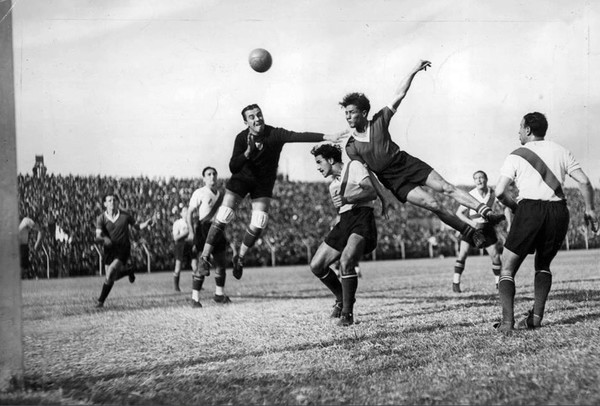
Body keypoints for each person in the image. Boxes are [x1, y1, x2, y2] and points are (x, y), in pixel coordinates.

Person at [340, 60, 504, 248]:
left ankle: (487, 213)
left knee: (446, 187)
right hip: (391, 179)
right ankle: (471, 233)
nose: (348, 116)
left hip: (404, 162)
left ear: (363, 112)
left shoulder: (378, 121)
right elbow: (367, 174)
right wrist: (384, 196)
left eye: (351, 112)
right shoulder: (351, 147)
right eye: (345, 113)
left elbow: (399, 94)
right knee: (433, 204)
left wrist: (414, 70)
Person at [199, 104, 347, 279]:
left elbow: (297, 136)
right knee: (224, 214)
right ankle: (204, 258)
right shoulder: (241, 138)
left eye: (259, 115)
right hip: (241, 179)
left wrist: (328, 136)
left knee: (259, 221)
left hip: (262, 183)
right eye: (252, 117)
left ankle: (240, 257)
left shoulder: (274, 134)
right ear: (246, 122)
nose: (257, 119)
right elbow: (233, 166)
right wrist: (247, 152)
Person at [493, 112, 598, 334]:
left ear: (528, 130)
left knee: (507, 267)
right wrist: (589, 210)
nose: (518, 132)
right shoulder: (561, 150)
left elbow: (500, 191)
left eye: (520, 127)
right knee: (543, 264)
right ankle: (536, 318)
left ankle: (507, 323)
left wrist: (515, 207)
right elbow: (584, 181)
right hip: (559, 211)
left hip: (530, 209)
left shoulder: (515, 155)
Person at [309, 143, 378, 327]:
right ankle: (341, 298)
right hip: (344, 223)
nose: (318, 167)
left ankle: (347, 313)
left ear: (331, 160)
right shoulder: (333, 185)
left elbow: (372, 191)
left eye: (319, 162)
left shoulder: (353, 166)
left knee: (346, 261)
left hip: (362, 220)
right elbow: (343, 209)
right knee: (316, 265)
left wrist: (348, 198)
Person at [94, 192, 155, 308]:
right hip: (109, 250)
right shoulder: (101, 218)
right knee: (112, 277)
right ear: (105, 204)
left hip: (123, 248)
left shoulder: (125, 216)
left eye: (114, 200)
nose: (112, 202)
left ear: (118, 202)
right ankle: (128, 271)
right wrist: (104, 239)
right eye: (110, 200)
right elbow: (98, 236)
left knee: (111, 270)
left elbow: (137, 226)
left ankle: (100, 301)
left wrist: (146, 223)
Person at [452, 170, 509, 293]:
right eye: (476, 178)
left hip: (487, 227)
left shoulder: (493, 194)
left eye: (481, 177)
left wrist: (507, 221)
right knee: (463, 254)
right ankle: (456, 283)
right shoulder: (470, 195)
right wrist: (473, 224)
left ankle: (498, 284)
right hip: (471, 227)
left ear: (486, 179)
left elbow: (506, 207)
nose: (478, 180)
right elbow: (459, 213)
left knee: (495, 256)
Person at [187, 166, 231, 307]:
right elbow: (189, 213)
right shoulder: (199, 193)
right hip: (204, 229)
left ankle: (219, 294)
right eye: (209, 174)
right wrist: (191, 231)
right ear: (204, 178)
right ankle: (195, 298)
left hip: (218, 229)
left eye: (214, 174)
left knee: (221, 263)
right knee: (202, 263)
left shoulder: (221, 194)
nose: (212, 176)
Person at [19, 212, 44, 278]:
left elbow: (40, 230)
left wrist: (36, 243)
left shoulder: (26, 221)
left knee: (22, 268)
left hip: (22, 247)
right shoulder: (25, 220)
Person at [172, 206, 191, 292]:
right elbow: (175, 238)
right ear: (181, 213)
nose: (187, 212)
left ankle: (198, 286)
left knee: (195, 266)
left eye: (187, 210)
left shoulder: (191, 222)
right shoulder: (178, 223)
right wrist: (185, 233)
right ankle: (176, 287)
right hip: (180, 245)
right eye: (184, 211)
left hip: (190, 244)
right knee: (178, 266)